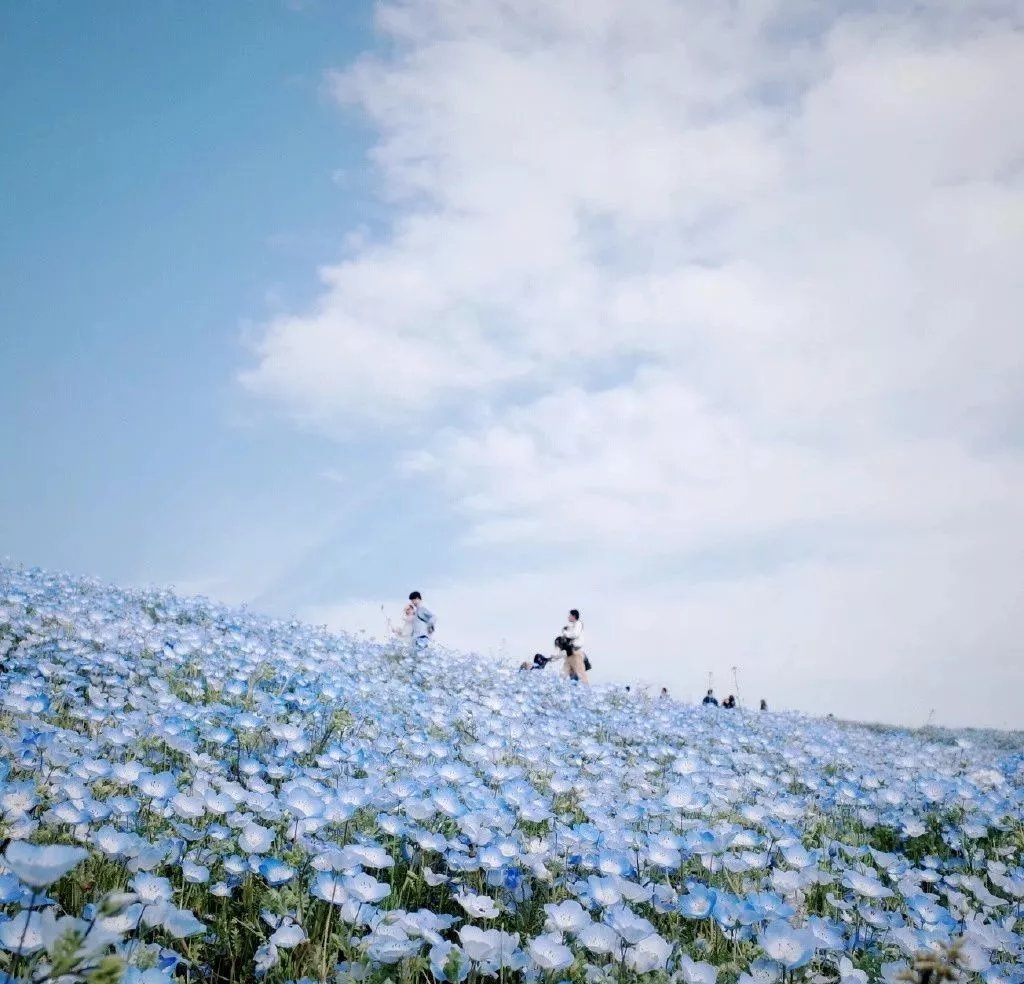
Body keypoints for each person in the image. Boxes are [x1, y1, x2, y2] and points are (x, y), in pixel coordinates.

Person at [556, 609, 589, 684]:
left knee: (581, 675)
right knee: (564, 674)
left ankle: (586, 689)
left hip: (576, 652)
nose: (568, 617)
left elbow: (575, 634)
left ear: (573, 616)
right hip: (570, 653)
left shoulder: (578, 623)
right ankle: (559, 687)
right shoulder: (572, 625)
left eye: (569, 615)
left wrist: (565, 633)